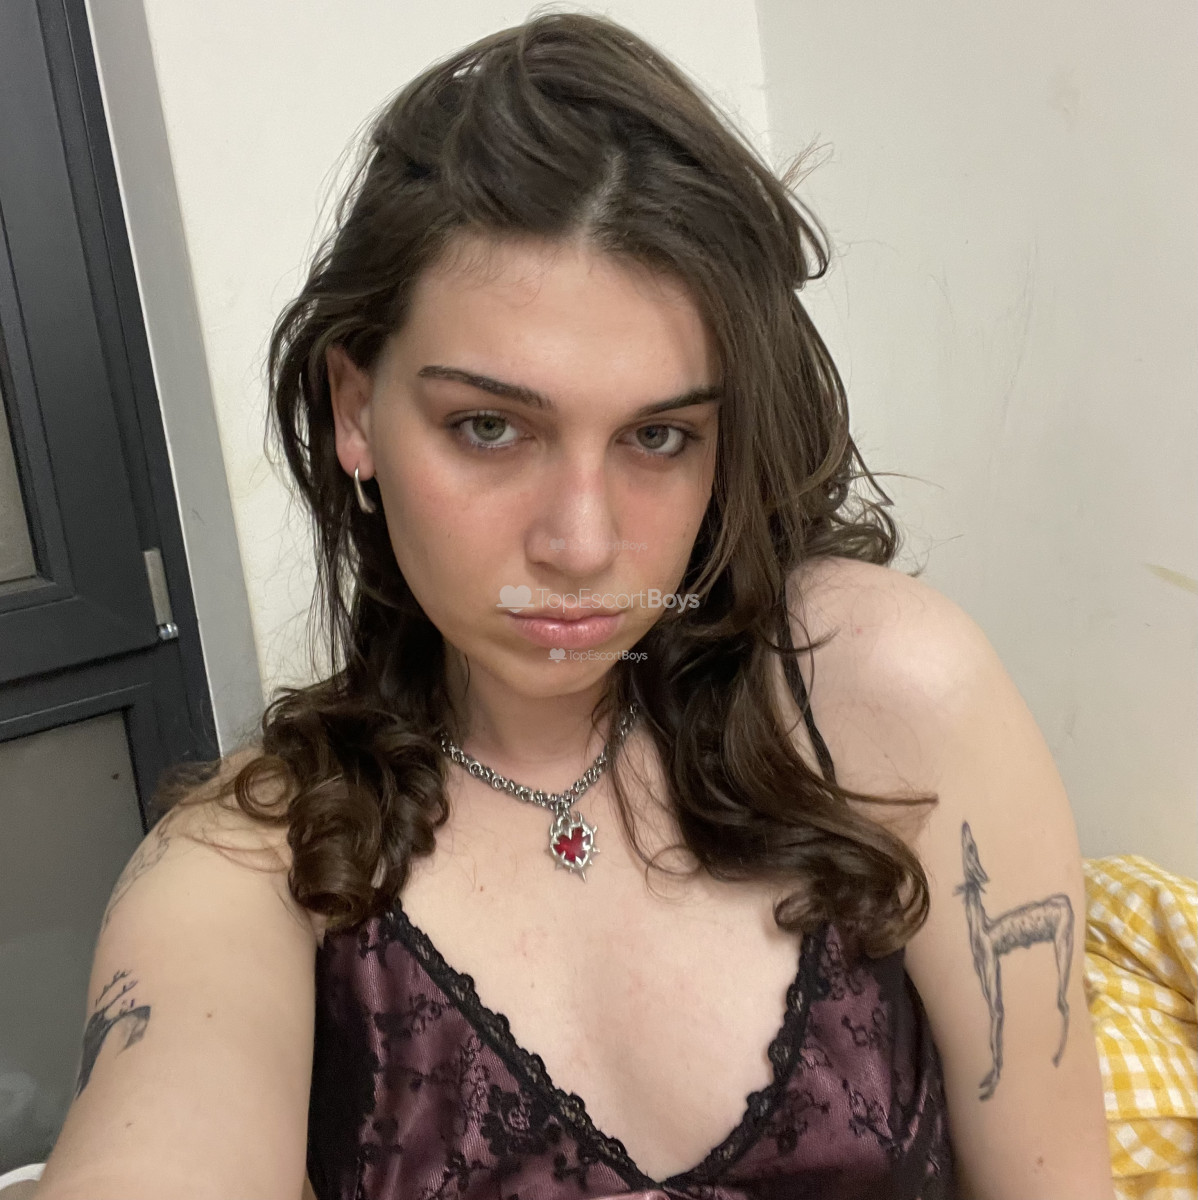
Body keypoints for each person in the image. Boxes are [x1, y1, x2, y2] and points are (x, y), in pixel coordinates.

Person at [33, 12, 1114, 1200]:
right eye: (489, 427)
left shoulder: (881, 694)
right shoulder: (248, 871)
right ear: (354, 411)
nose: (582, 545)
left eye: (658, 437)